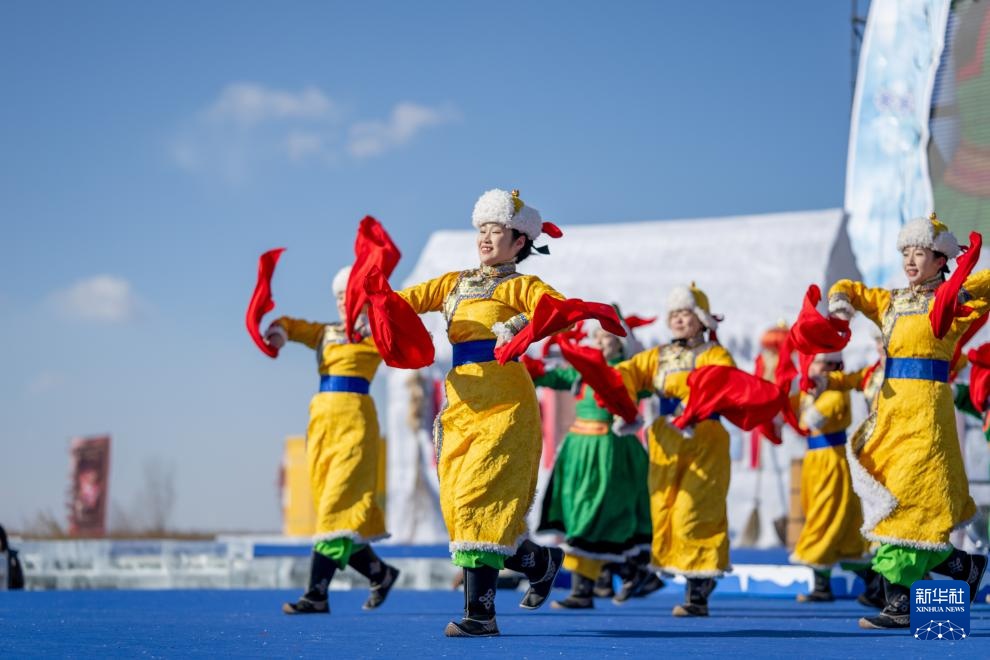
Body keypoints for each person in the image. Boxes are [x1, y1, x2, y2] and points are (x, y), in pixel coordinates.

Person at [371, 189, 597, 637]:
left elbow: (559, 311)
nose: (486, 238)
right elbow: (401, 302)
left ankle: (482, 614)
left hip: (505, 405)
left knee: (482, 501)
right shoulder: (452, 283)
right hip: (461, 402)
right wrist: (371, 295)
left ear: (519, 243)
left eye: (497, 230)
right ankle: (539, 560)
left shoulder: (521, 286)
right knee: (460, 508)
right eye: (482, 230)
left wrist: (523, 325)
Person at [826, 213, 989, 629]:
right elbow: (850, 289)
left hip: (928, 412)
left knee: (913, 497)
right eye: (906, 252)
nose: (910, 260)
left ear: (939, 259)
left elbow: (984, 286)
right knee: (889, 495)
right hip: (892, 413)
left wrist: (967, 272)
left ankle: (900, 602)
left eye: (920, 253)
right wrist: (840, 302)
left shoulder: (953, 302)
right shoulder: (891, 300)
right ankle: (965, 569)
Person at [265, 265, 399, 615]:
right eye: (339, 296)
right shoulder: (326, 333)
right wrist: (278, 334)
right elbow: (291, 326)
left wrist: (381, 318)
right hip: (323, 424)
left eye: (350, 295)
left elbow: (408, 345)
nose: (343, 302)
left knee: (337, 505)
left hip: (356, 423)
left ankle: (316, 594)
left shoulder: (376, 334)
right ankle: (379, 573)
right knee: (332, 506)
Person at [613, 283, 734, 617]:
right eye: (675, 314)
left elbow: (723, 382)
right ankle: (696, 580)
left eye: (686, 313)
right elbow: (627, 373)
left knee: (694, 511)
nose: (680, 320)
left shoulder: (714, 353)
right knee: (665, 510)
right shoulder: (660, 355)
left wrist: (693, 404)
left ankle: (697, 589)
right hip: (666, 439)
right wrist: (624, 407)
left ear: (701, 318)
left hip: (705, 438)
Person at [529, 317, 656, 609]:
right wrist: (524, 364)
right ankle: (585, 589)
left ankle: (627, 573)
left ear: (620, 341)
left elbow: (657, 387)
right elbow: (548, 377)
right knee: (578, 517)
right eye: (596, 335)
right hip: (578, 450)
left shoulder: (629, 370)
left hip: (609, 449)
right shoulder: (580, 369)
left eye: (607, 336)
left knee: (596, 516)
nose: (600, 340)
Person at [790, 352, 868, 603]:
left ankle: (873, 582)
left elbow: (812, 419)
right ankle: (824, 585)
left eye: (822, 363)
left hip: (832, 459)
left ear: (834, 366)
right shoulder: (812, 390)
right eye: (814, 362)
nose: (816, 368)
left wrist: (808, 398)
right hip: (814, 458)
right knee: (821, 516)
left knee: (826, 517)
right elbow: (792, 411)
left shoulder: (835, 391)